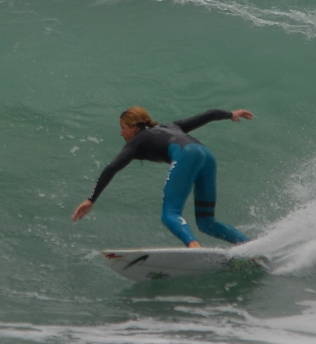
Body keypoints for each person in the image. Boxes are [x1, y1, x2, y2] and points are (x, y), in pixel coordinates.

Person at [70, 105, 254, 247]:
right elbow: (209, 114)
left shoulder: (137, 141)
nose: (121, 132)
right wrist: (231, 114)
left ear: (134, 127)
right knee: (207, 222)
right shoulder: (171, 126)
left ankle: (193, 247)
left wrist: (91, 199)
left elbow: (112, 168)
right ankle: (250, 248)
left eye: (123, 127)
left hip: (187, 155)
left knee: (170, 214)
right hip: (207, 156)